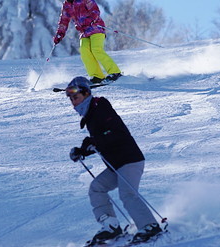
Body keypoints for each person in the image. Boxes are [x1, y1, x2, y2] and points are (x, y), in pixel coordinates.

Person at [65, 76, 162, 245]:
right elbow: (96, 139)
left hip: (129, 160)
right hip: (117, 164)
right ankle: (111, 226)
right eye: (71, 99)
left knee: (127, 194)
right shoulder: (90, 114)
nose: (73, 102)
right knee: (96, 188)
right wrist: (81, 151)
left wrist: (95, 142)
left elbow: (115, 132)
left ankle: (150, 226)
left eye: (76, 97)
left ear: (87, 93)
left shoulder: (100, 106)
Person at [53, 0, 122, 84]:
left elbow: (95, 11)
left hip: (96, 28)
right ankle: (97, 76)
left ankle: (115, 72)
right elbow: (64, 21)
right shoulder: (67, 5)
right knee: (84, 52)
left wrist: (89, 21)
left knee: (96, 49)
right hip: (83, 32)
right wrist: (59, 34)